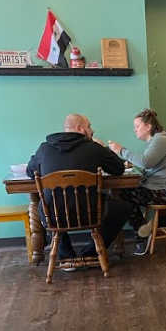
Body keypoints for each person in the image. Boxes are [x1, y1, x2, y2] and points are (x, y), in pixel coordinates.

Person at [26, 113, 130, 267]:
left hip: (55, 216)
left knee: (46, 206)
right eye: (89, 126)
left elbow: (30, 172)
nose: (92, 130)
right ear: (81, 129)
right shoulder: (93, 148)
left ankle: (65, 256)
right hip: (91, 213)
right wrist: (102, 148)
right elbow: (118, 169)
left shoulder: (44, 148)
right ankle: (90, 254)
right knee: (123, 207)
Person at [108, 109, 166, 252]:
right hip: (161, 188)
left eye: (137, 126)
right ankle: (142, 231)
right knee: (124, 194)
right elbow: (150, 167)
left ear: (148, 126)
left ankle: (141, 233)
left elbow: (146, 162)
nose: (135, 130)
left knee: (122, 195)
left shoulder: (161, 140)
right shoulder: (157, 141)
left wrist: (121, 150)